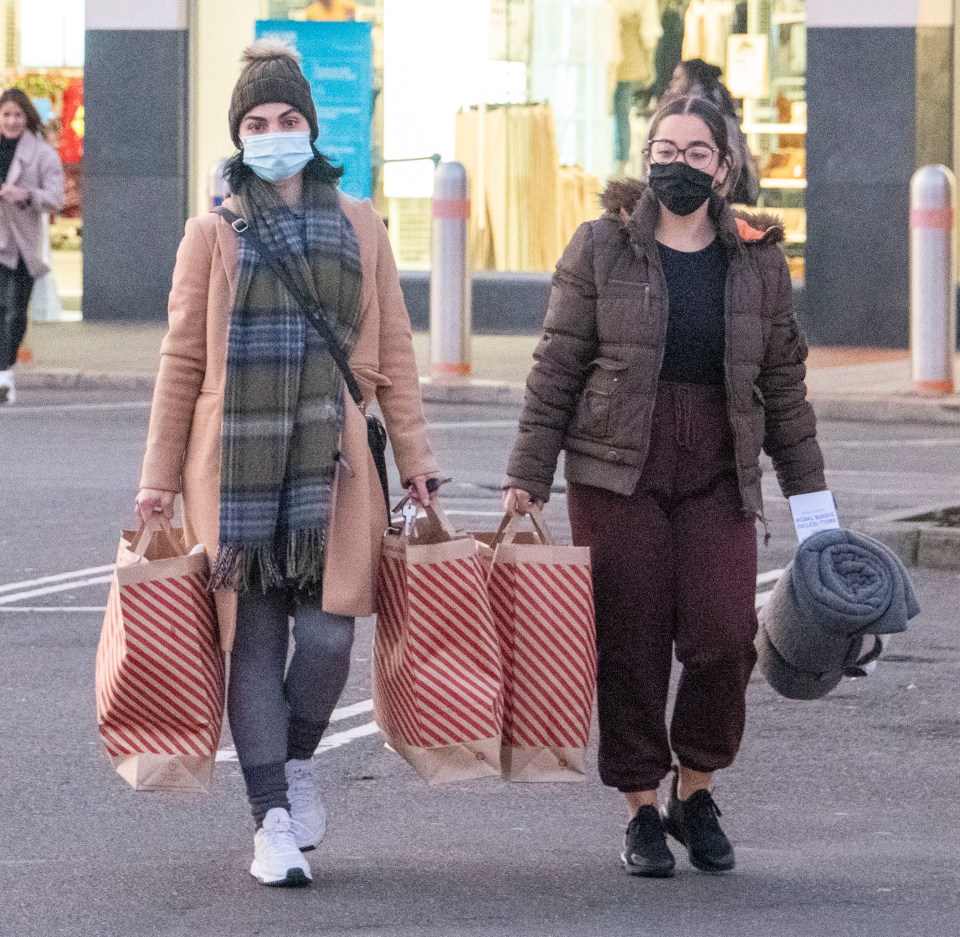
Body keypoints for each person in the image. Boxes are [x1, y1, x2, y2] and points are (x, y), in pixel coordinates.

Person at [136, 40, 440, 888]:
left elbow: (397, 354)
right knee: (256, 639)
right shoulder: (214, 232)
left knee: (331, 635)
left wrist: (417, 456)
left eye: (288, 118)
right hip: (232, 466)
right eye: (258, 123)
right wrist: (157, 476)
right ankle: (269, 816)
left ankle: (296, 760)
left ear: (312, 125)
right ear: (241, 136)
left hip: (335, 462)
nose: (274, 133)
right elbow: (180, 361)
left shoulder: (361, 223)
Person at [503, 95, 825, 878]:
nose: (677, 163)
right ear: (645, 156)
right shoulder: (600, 247)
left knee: (722, 637)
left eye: (696, 152)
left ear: (724, 166)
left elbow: (784, 390)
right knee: (632, 643)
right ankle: (642, 807)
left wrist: (815, 505)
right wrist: (526, 476)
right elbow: (556, 367)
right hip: (618, 471)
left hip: (718, 470)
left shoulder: (756, 259)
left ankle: (697, 784)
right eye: (664, 147)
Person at [0, 88, 65, 405]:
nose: (11, 121)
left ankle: (4, 373)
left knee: (13, 312)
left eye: (17, 115)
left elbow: (56, 198)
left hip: (21, 244)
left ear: (27, 118)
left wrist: (25, 194)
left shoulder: (42, 154)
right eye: (6, 114)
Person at [664, 59, 760, 205]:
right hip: (725, 192)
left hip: (709, 193)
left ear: (693, 80)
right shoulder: (720, 104)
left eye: (678, 78)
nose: (672, 84)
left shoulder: (694, 113)